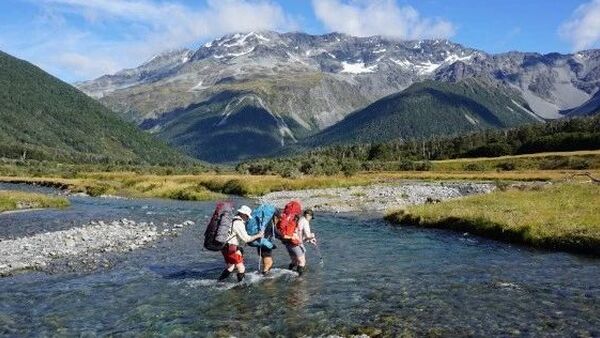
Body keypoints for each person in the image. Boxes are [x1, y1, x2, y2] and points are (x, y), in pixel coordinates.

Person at [218, 205, 263, 283]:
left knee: (231, 266)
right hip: (231, 248)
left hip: (224, 246)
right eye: (247, 216)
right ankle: (240, 286)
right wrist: (258, 235)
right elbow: (246, 239)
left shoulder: (231, 219)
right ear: (243, 214)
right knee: (241, 268)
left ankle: (219, 282)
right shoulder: (238, 223)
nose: (248, 218)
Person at [285, 209, 316, 276]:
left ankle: (287, 272)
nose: (310, 219)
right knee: (302, 262)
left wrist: (309, 240)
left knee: (294, 262)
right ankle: (299, 279)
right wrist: (312, 236)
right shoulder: (305, 221)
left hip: (288, 242)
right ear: (308, 215)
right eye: (311, 217)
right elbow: (308, 235)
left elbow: (299, 233)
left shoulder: (298, 219)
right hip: (295, 244)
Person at [258, 210, 279, 275]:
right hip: (265, 245)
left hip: (260, 244)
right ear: (275, 217)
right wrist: (285, 236)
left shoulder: (264, 222)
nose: (278, 220)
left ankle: (263, 274)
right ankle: (264, 278)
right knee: (269, 263)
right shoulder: (270, 223)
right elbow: (277, 233)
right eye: (278, 218)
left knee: (265, 262)